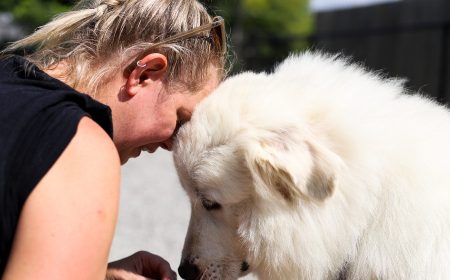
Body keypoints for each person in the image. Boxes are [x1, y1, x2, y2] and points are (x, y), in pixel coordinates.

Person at [0, 0, 227, 279]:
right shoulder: (80, 147)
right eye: (181, 120)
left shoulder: (7, 75)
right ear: (145, 73)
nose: (172, 145)